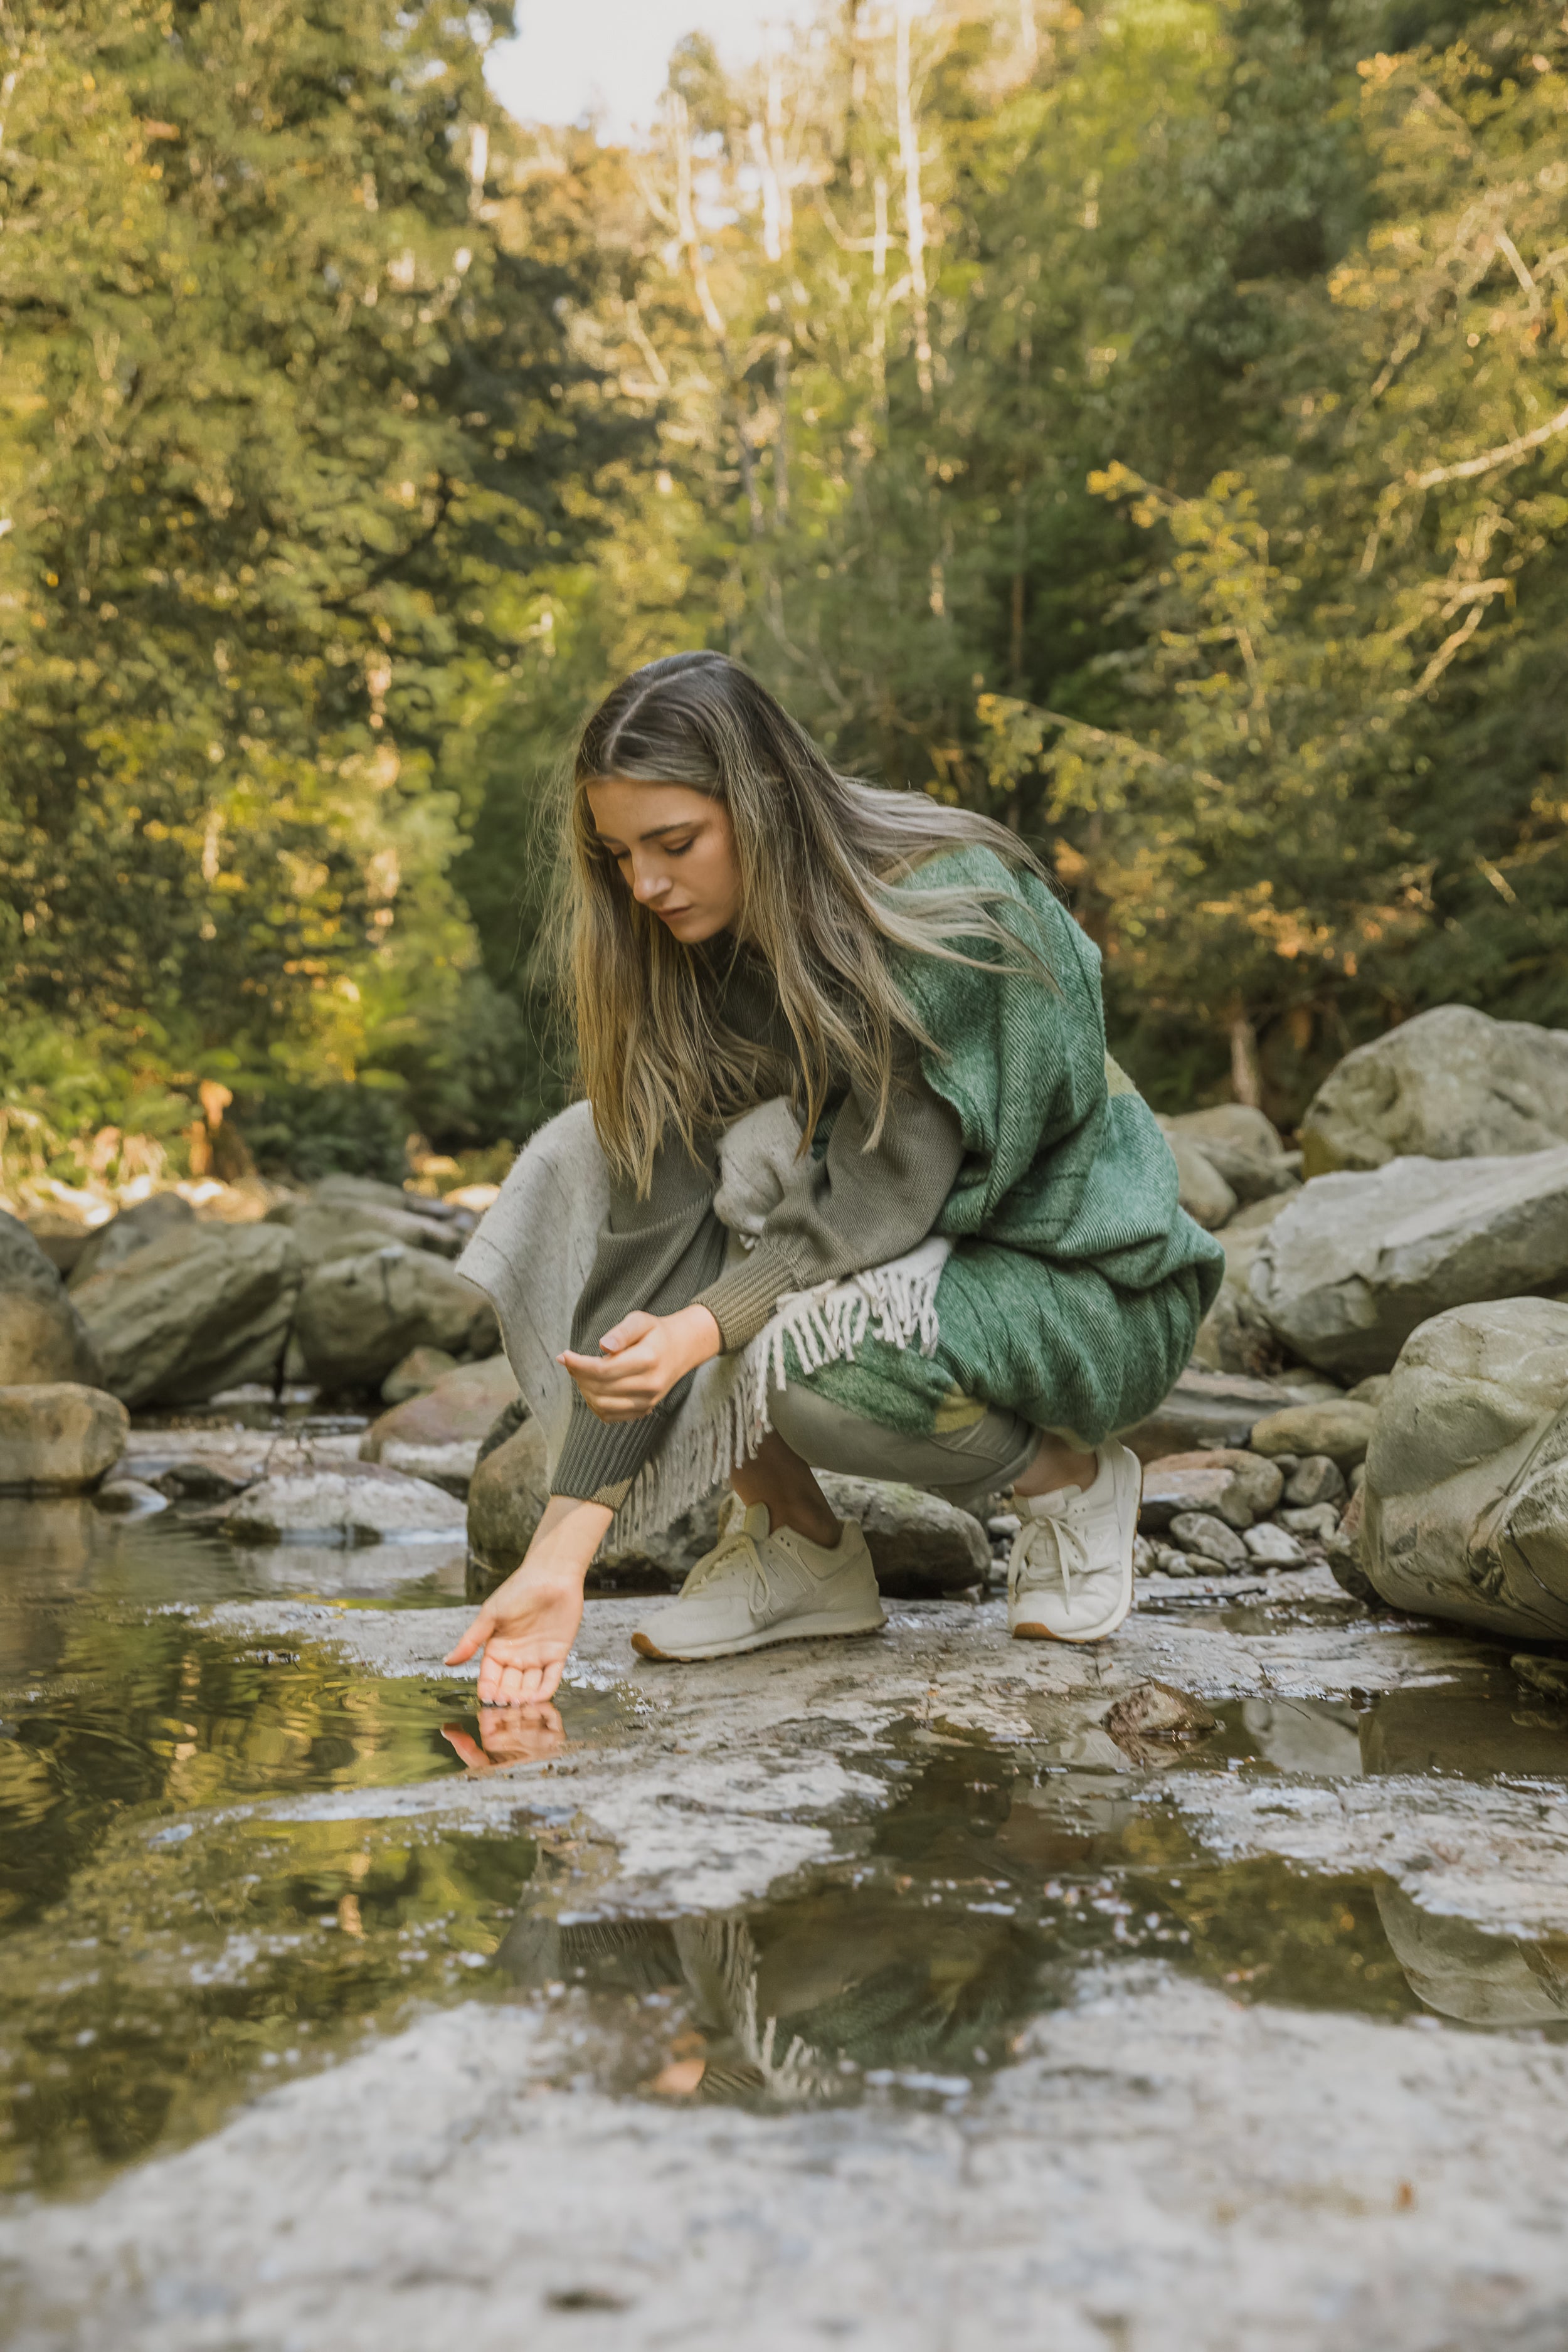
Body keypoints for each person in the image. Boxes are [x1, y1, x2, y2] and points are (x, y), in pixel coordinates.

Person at [447, 652, 1222, 1706]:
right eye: (619, 853)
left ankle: (1073, 1485)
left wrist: (702, 1327)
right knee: (582, 1158)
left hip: (1082, 1285)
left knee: (793, 1357)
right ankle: (799, 1543)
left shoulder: (952, 904)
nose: (645, 885)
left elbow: (884, 1189)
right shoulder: (682, 962)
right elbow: (650, 1260)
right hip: (896, 1268)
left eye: (675, 843)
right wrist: (557, 1558)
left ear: (763, 800)